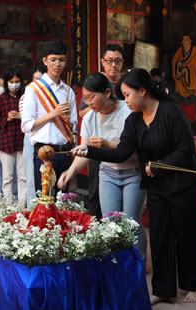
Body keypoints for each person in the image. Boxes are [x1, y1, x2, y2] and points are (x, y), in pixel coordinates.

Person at [71, 68, 196, 304]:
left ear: (142, 91)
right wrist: (90, 151)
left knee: (187, 235)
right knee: (160, 237)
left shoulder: (170, 111)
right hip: (156, 184)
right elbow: (122, 152)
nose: (125, 101)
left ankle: (193, 285)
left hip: (183, 184)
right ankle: (162, 289)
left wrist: (159, 165)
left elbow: (186, 150)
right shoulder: (134, 120)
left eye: (127, 95)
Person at [58, 72, 146, 257]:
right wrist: (71, 170)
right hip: (107, 174)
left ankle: (138, 263)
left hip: (133, 172)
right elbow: (85, 151)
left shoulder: (128, 110)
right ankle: (115, 264)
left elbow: (137, 148)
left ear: (107, 92)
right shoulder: (90, 118)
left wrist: (107, 145)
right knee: (109, 223)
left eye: (92, 97)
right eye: (85, 98)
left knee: (132, 223)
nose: (89, 103)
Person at [21, 40, 77, 195]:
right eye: (53, 60)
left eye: (61, 60)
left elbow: (73, 126)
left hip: (64, 152)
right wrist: (53, 113)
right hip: (43, 152)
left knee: (63, 200)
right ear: (45, 61)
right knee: (44, 201)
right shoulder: (33, 89)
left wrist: (66, 121)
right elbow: (26, 125)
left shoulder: (68, 91)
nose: (57, 64)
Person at [78, 44, 125, 218]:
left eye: (117, 61)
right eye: (110, 61)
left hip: (124, 154)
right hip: (99, 148)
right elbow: (83, 113)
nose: (113, 65)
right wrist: (99, 104)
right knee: (96, 192)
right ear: (103, 62)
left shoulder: (126, 84)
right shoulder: (94, 82)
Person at [0, 69, 26, 205]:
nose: (14, 84)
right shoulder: (1, 99)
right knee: (7, 177)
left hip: (23, 142)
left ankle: (23, 205)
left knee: (23, 177)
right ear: (6, 83)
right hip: (7, 142)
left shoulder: (25, 97)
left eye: (17, 82)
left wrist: (22, 116)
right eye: (11, 82)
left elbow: (33, 117)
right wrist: (7, 118)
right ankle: (9, 205)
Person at [19, 65, 45, 205]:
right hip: (31, 140)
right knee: (31, 178)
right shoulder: (26, 96)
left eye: (41, 80)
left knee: (47, 178)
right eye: (36, 79)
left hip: (46, 141)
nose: (38, 83)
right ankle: (32, 209)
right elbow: (28, 124)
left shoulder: (49, 97)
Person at [172, 34, 196, 122]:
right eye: (183, 40)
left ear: (191, 41)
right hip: (181, 82)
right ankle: (183, 119)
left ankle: (191, 120)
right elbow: (174, 61)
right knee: (181, 103)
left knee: (190, 102)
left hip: (190, 80)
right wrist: (179, 67)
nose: (185, 41)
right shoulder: (180, 51)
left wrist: (184, 68)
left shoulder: (194, 50)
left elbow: (194, 65)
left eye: (187, 39)